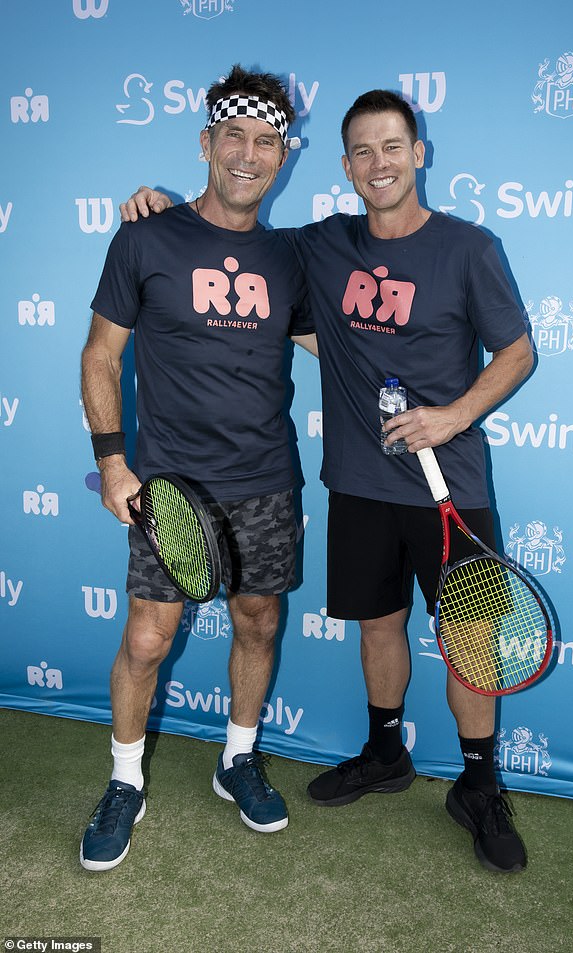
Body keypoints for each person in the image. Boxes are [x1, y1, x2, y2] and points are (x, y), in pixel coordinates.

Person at [124, 90, 535, 874]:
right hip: (359, 486)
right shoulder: (320, 246)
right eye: (362, 152)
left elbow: (516, 352)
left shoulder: (470, 247)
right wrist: (159, 205)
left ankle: (480, 784)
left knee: (471, 644)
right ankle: (387, 751)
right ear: (344, 167)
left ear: (420, 154)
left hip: (455, 490)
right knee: (379, 627)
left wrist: (453, 415)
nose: (379, 164)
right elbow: (230, 233)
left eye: (393, 147)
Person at [79, 65, 317, 872]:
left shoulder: (294, 259)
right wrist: (112, 463)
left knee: (259, 620)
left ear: (284, 155)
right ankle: (122, 781)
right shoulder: (146, 235)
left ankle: (238, 757)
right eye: (235, 137)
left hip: (265, 480)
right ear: (207, 142)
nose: (249, 155)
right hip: (170, 484)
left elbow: (340, 344)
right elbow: (101, 354)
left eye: (267, 142)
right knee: (147, 640)